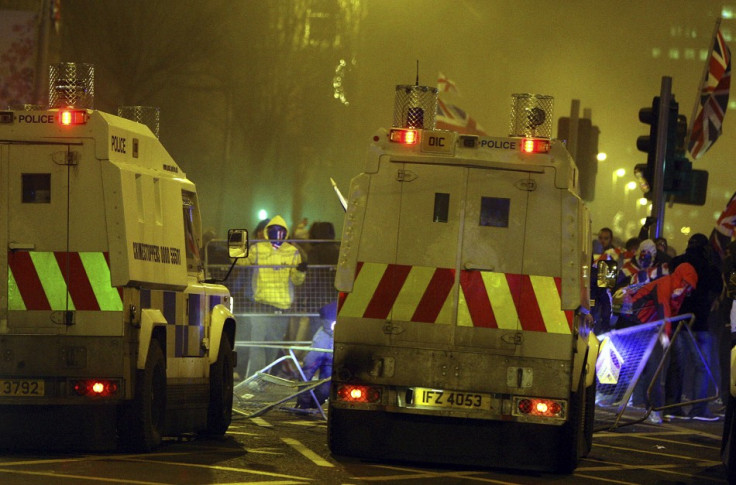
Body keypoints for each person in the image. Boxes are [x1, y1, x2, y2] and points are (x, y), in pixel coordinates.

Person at [629, 262, 698, 424]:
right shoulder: (666, 284)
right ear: (679, 278)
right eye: (685, 283)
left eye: (689, 285)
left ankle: (661, 407)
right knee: (654, 367)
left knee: (662, 364)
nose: (686, 288)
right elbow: (663, 312)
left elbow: (669, 314)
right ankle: (653, 408)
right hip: (642, 324)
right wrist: (665, 337)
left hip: (652, 326)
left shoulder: (677, 290)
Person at [238, 215, 307, 377]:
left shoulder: (292, 252)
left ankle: (264, 379)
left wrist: (300, 271)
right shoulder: (258, 249)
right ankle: (254, 382)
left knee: (272, 350)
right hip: (261, 307)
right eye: (274, 231)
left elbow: (296, 281)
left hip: (280, 309)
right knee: (257, 348)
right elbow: (242, 262)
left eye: (281, 231)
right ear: (268, 232)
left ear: (286, 232)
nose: (278, 234)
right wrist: (236, 249)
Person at [665, 233, 723, 421]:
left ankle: (672, 407)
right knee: (702, 368)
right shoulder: (709, 267)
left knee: (676, 367)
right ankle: (699, 409)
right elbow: (717, 288)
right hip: (699, 323)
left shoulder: (677, 263)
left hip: (677, 321)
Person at [295, 301, 336, 409]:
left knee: (325, 387)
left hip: (331, 351)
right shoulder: (323, 337)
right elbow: (308, 369)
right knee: (307, 373)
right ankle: (305, 404)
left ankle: (312, 405)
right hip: (324, 345)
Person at [591, 227, 622, 334]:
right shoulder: (594, 253)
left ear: (611, 239)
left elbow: (606, 289)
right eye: (600, 238)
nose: (602, 241)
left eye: (606, 238)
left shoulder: (611, 256)